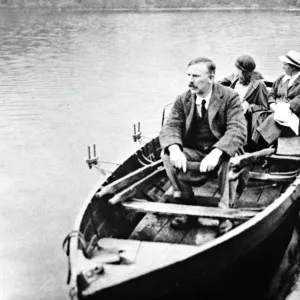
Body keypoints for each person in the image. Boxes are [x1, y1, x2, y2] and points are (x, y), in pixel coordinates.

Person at [159, 57, 247, 229]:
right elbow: (170, 126)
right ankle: (186, 205)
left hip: (222, 155)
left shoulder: (230, 97)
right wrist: (175, 149)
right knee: (167, 154)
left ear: (211, 77)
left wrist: (216, 153)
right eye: (189, 75)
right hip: (196, 152)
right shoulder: (182, 99)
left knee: (230, 160)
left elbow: (237, 130)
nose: (190, 81)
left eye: (196, 76)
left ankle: (224, 213)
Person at [219, 55, 269, 151]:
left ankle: (234, 150)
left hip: (245, 116)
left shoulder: (258, 84)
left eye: (238, 69)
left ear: (243, 70)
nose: (236, 72)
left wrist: (249, 107)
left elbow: (264, 107)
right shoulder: (235, 78)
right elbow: (218, 84)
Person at [253, 50, 300, 146]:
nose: (283, 67)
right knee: (258, 115)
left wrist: (283, 107)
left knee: (273, 119)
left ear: (293, 67)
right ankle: (255, 143)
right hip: (275, 109)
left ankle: (262, 145)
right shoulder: (282, 78)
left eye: (285, 65)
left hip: (292, 113)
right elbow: (271, 94)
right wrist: (272, 104)